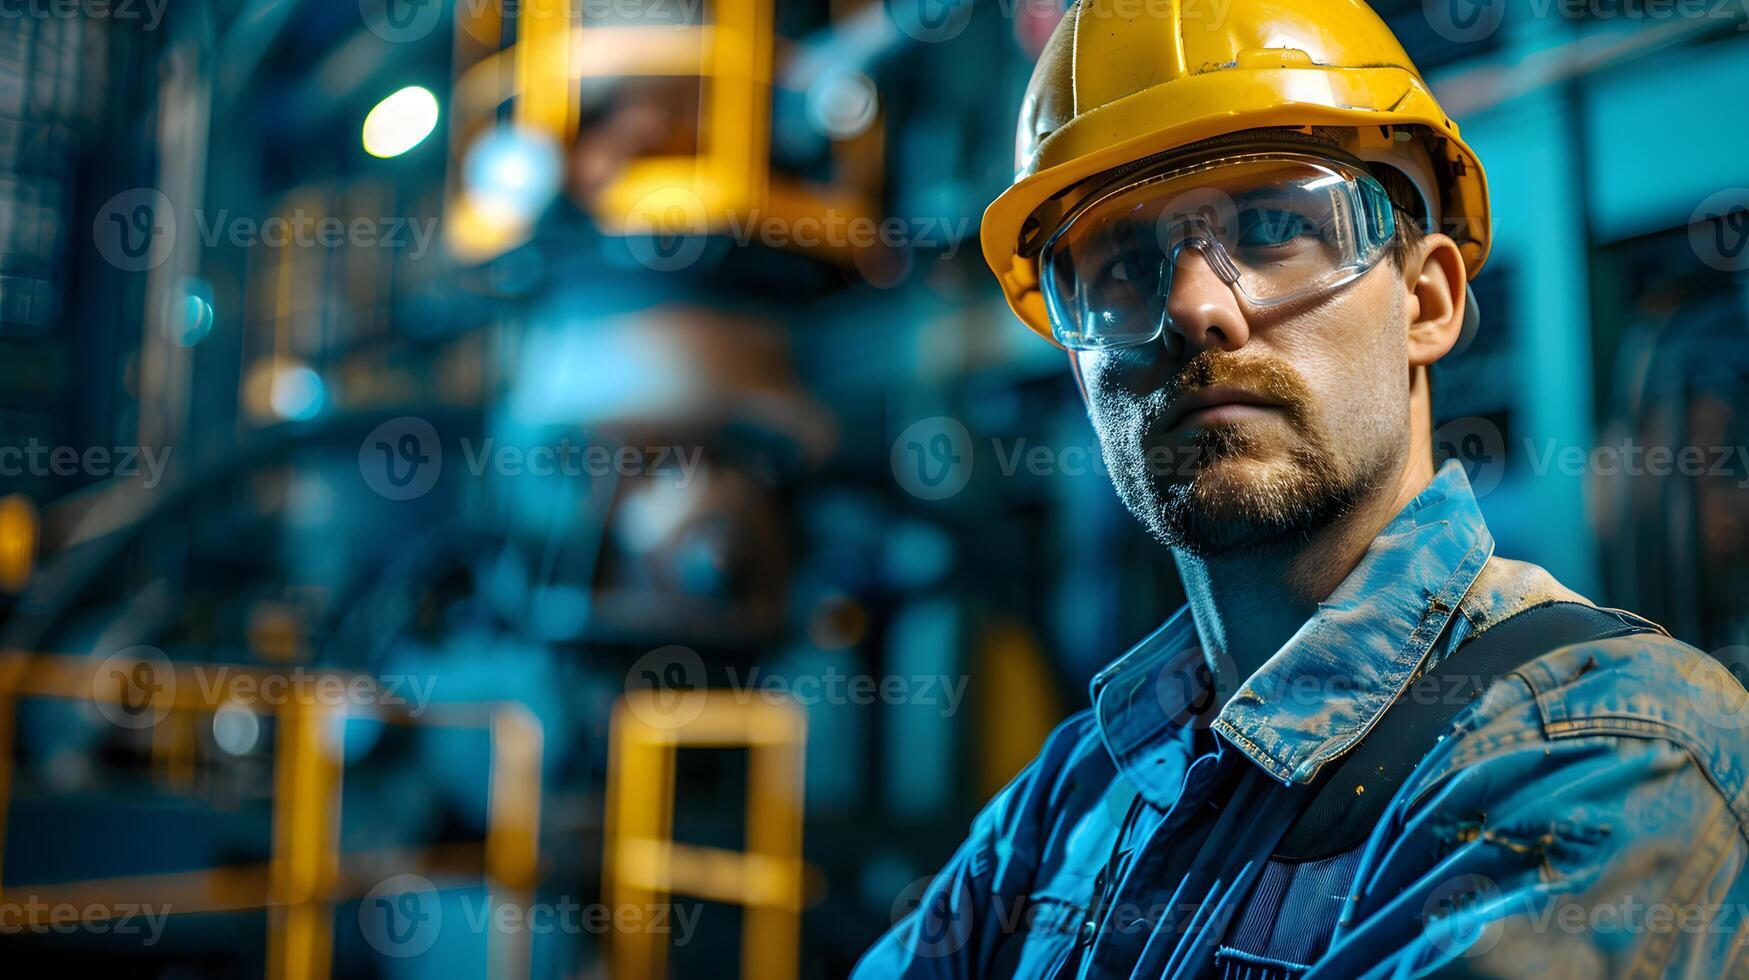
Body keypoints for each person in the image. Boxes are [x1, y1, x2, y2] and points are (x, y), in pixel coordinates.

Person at [855, 0, 1749, 976]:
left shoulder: (1605, 752)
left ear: (1429, 299)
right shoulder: (1071, 800)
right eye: (1122, 261)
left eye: (1276, 224)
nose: (1196, 305)